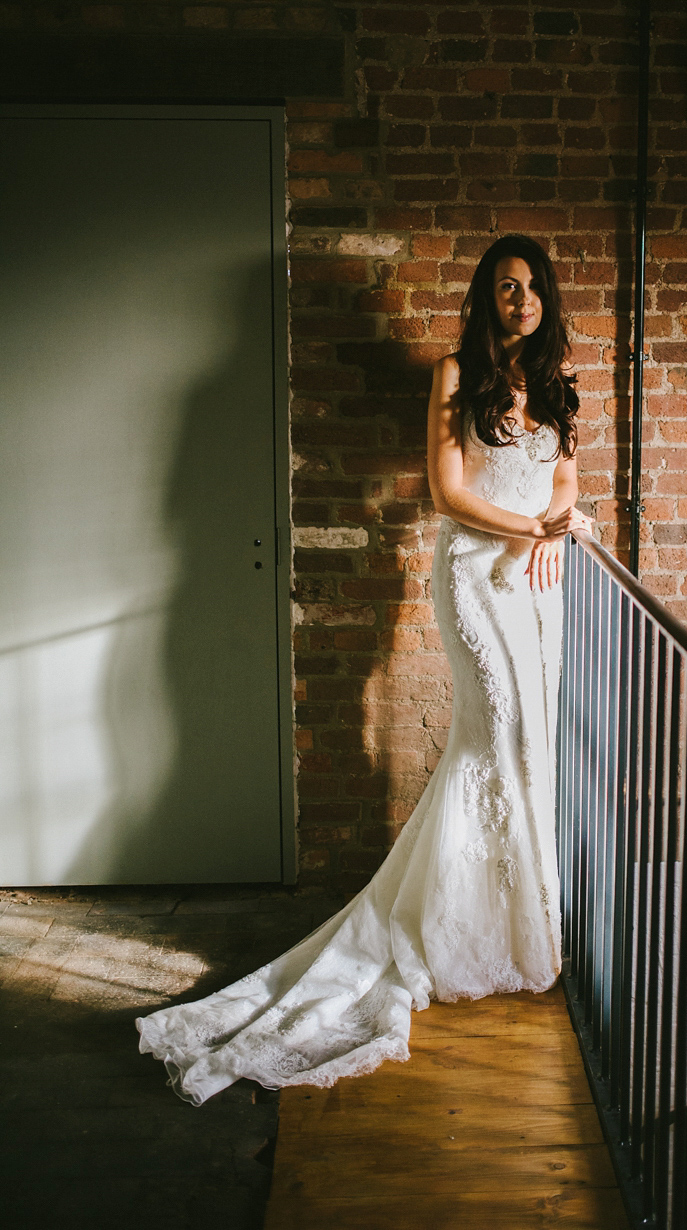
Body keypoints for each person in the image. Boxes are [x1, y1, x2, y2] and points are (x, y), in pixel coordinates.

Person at [136, 233, 591, 1105]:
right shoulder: (458, 375)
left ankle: (512, 922)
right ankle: (447, 932)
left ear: (547, 299)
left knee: (529, 744)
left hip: (537, 583)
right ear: (486, 297)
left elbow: (566, 476)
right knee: (496, 731)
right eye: (505, 285)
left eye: (532, 286)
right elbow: (444, 490)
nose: (520, 298)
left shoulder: (560, 382)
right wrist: (526, 532)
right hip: (474, 576)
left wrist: (557, 527)